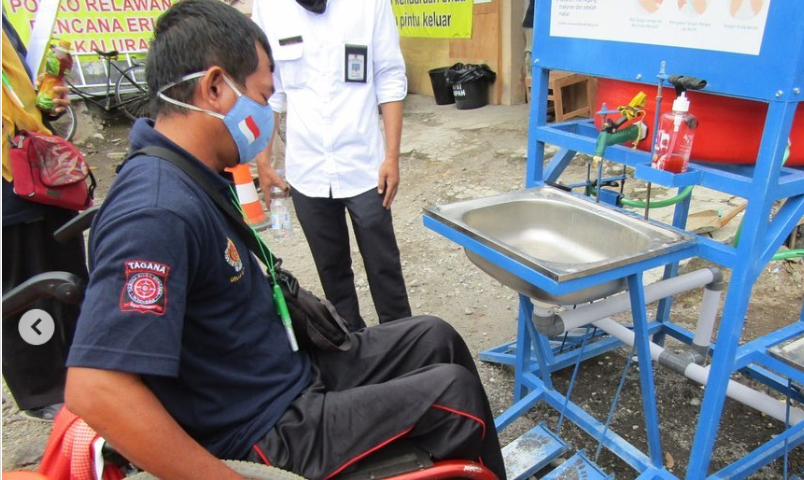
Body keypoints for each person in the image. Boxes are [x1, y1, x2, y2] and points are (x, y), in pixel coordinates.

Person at [64, 2, 506, 480]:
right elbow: (95, 388)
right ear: (215, 88)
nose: (267, 118)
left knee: (433, 335)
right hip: (264, 425)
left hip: (288, 372)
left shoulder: (192, 175)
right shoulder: (156, 211)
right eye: (261, 97)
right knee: (453, 394)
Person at [252, 0, 411, 331]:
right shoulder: (270, 7)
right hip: (306, 170)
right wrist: (263, 161)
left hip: (365, 167)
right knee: (332, 272)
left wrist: (392, 156)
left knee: (384, 268)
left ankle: (404, 347)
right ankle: (353, 352)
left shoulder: (370, 5)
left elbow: (389, 77)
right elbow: (272, 91)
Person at [2, 11, 87, 422]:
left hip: (40, 170)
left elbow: (21, 93)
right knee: (27, 290)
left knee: (69, 275)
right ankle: (44, 388)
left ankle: (83, 370)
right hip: (7, 188)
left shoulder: (4, 23)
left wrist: (45, 104)